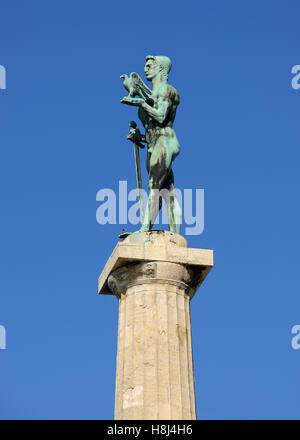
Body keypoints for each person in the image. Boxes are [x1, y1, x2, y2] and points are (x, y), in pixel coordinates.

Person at [121, 55, 182, 234]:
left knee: (154, 184)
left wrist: (140, 102)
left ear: (161, 69)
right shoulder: (151, 94)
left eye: (150, 66)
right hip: (154, 143)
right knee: (167, 192)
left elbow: (161, 117)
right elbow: (152, 129)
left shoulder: (167, 91)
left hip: (165, 141)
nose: (146, 68)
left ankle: (145, 228)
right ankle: (175, 235)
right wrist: (139, 137)